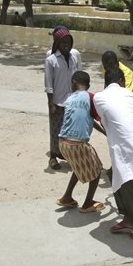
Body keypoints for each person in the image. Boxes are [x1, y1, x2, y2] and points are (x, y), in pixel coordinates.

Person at [94, 69, 133, 242]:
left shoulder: (99, 97)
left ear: (106, 83)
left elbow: (105, 122)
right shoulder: (129, 94)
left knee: (128, 185)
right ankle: (128, 218)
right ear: (121, 81)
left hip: (127, 145)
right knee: (114, 175)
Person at [56, 71, 106, 212]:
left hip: (63, 143)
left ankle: (67, 197)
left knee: (79, 166)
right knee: (97, 170)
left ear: (73, 83)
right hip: (77, 144)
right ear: (88, 85)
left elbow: (87, 118)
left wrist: (103, 132)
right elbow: (99, 119)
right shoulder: (91, 98)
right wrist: (107, 131)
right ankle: (88, 203)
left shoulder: (70, 98)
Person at [44, 26, 81, 170]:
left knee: (70, 131)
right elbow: (48, 84)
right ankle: (53, 157)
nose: (66, 44)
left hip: (72, 101)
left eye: (69, 41)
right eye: (63, 41)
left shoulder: (74, 56)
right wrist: (51, 103)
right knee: (56, 130)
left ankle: (69, 156)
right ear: (57, 43)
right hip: (57, 101)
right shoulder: (51, 60)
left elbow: (79, 76)